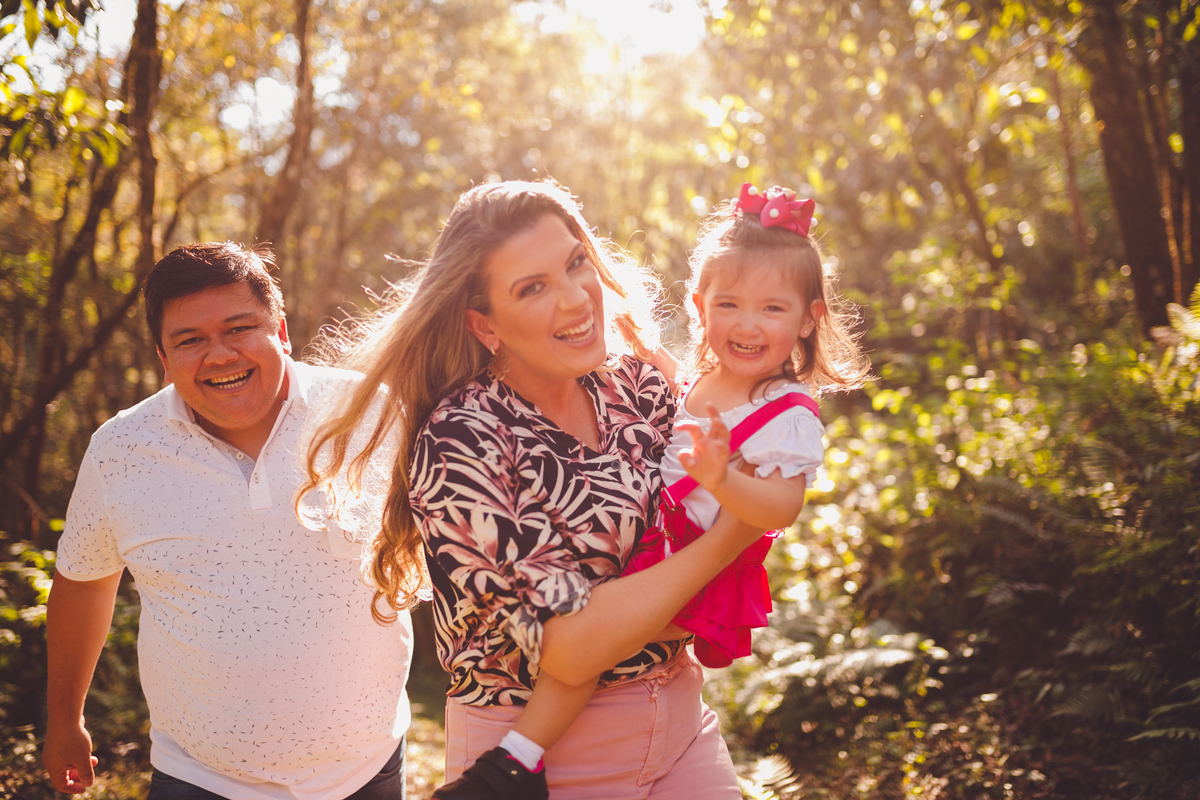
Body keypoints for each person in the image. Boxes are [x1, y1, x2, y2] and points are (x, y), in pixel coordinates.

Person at [304, 180, 775, 800]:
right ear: (485, 324)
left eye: (576, 263)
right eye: (533, 288)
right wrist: (728, 538)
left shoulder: (638, 386)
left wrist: (634, 608)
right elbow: (572, 650)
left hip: (684, 730)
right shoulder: (463, 441)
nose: (577, 299)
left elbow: (734, 549)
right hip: (538, 766)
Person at [475, 182, 872, 785]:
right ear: (699, 304)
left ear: (810, 318)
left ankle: (515, 760)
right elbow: (670, 394)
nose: (747, 325)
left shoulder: (787, 410)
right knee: (584, 645)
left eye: (773, 308)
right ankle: (519, 758)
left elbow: (782, 507)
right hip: (664, 538)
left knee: (591, 649)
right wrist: (650, 354)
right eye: (729, 305)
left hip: (703, 561)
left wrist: (725, 481)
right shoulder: (699, 379)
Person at [43, 242, 415, 800]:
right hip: (198, 778)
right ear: (164, 360)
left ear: (281, 333)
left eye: (240, 328)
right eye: (190, 340)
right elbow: (84, 582)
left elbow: (447, 545)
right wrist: (64, 720)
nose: (219, 355)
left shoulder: (370, 415)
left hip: (367, 770)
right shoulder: (120, 450)